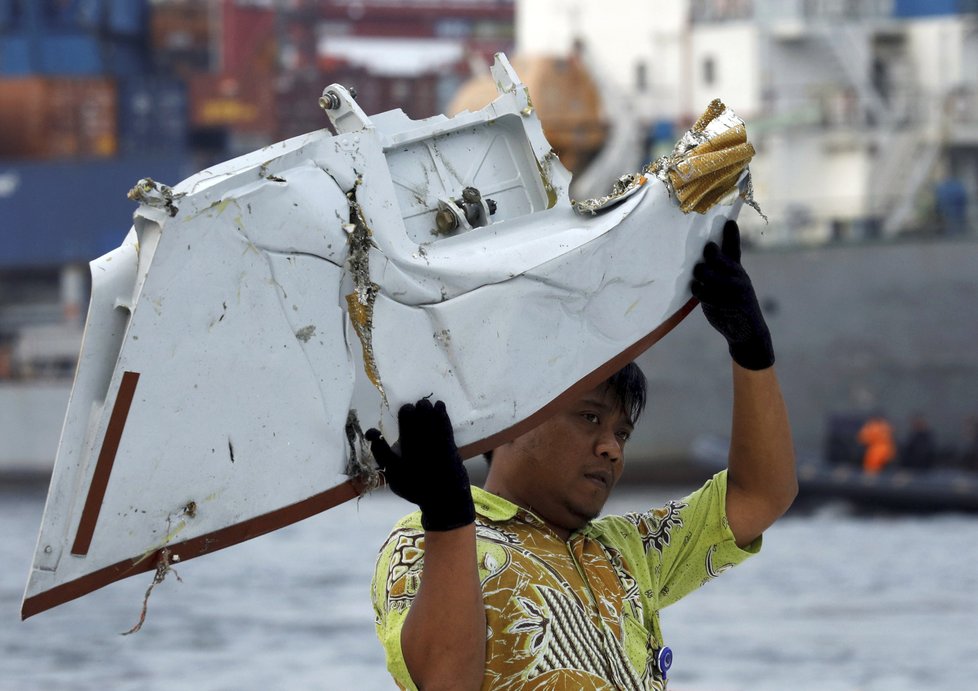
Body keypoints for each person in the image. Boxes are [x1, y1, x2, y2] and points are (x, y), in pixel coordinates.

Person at [368, 220, 797, 690]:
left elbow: (762, 495)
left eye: (623, 432)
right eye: (590, 418)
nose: (612, 448)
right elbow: (444, 684)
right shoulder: (418, 541)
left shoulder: (629, 551)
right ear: (513, 420)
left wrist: (751, 351)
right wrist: (449, 518)